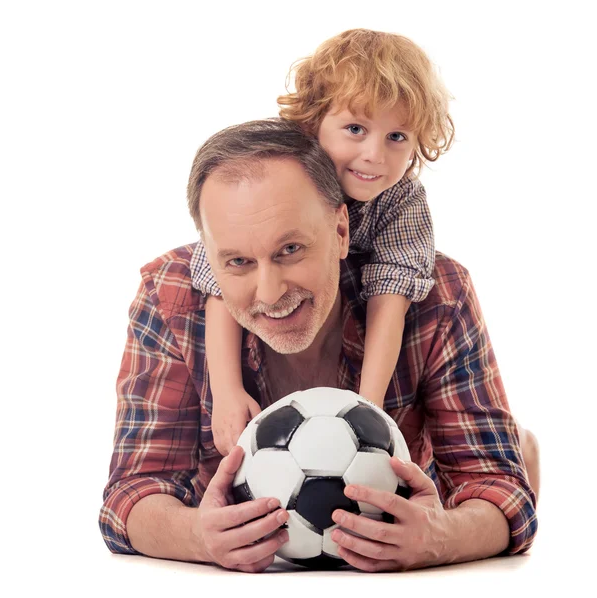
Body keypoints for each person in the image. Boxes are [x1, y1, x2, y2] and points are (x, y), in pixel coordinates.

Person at [99, 117, 539, 573]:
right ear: (207, 258)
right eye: (238, 262)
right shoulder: (170, 296)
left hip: (407, 504)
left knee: (507, 462)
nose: (269, 293)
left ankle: (522, 443)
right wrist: (197, 535)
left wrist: (442, 536)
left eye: (291, 250)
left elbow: (501, 490)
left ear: (341, 230)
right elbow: (131, 495)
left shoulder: (435, 292)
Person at [193, 29, 452, 457]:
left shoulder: (401, 198)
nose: (375, 155)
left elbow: (393, 294)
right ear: (313, 122)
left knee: (524, 448)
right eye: (355, 128)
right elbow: (222, 280)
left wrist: (366, 409)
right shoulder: (276, 176)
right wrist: (226, 391)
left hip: (352, 348)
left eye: (397, 137)